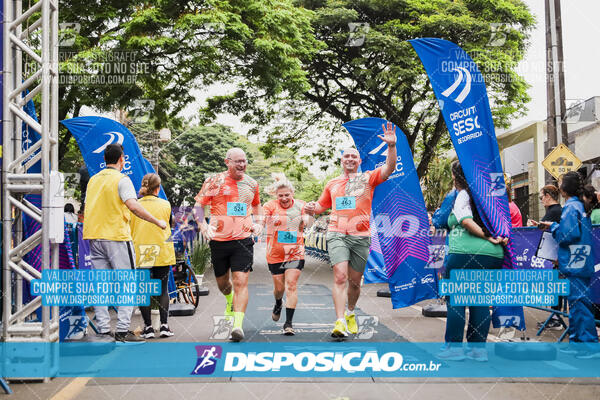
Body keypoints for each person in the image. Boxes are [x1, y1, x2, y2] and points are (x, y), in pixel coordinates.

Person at [305, 121, 397, 338]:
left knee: (355, 283)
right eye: (346, 156)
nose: (350, 159)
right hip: (336, 233)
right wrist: (311, 208)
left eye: (353, 156)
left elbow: (389, 168)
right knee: (339, 277)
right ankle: (338, 322)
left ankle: (350, 312)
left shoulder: (368, 178)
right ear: (341, 160)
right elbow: (320, 206)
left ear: (359, 161)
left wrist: (391, 147)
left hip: (360, 237)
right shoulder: (332, 183)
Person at [83, 144, 167, 343]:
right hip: (116, 237)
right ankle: (122, 330)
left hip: (94, 236)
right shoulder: (122, 179)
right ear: (122, 159)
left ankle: (104, 330)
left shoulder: (93, 180)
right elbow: (133, 206)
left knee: (100, 285)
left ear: (105, 159)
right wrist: (157, 221)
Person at [438, 161, 507, 361]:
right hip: (492, 255)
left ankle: (454, 348)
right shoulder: (490, 196)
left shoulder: (463, 195)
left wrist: (485, 235)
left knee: (457, 301)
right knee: (480, 301)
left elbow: (466, 221)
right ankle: (478, 350)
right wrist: (497, 237)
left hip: (465, 254)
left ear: (455, 177)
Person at [194, 148, 262, 342]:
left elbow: (257, 205)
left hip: (243, 240)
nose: (242, 165)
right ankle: (229, 301)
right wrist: (202, 224)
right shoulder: (214, 181)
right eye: (237, 161)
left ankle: (238, 325)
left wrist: (259, 223)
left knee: (241, 281)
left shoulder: (251, 183)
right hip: (219, 240)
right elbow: (199, 205)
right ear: (227, 162)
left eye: (244, 161)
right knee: (224, 284)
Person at [537, 171, 599, 358]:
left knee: (579, 304)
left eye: (561, 182)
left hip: (575, 262)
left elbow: (567, 236)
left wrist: (553, 227)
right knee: (577, 303)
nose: (559, 184)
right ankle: (577, 342)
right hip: (579, 260)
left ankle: (588, 345)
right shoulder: (578, 206)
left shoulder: (571, 207)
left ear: (566, 188)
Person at [263, 173, 312, 336]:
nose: (284, 198)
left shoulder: (301, 205)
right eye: (281, 195)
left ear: (292, 193)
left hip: (295, 252)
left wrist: (310, 215)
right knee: (279, 288)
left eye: (287, 195)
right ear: (276, 195)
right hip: (275, 253)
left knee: (291, 284)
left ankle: (288, 323)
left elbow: (308, 222)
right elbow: (261, 219)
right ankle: (278, 302)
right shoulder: (270, 206)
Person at [130, 173, 176, 339]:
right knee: (163, 289)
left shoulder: (134, 205)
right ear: (158, 187)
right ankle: (164, 326)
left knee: (143, 290)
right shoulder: (166, 204)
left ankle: (148, 328)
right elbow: (170, 223)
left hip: (142, 249)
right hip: (161, 249)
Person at [529, 185, 564, 330]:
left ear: (549, 196)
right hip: (556, 254)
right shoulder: (557, 210)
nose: (541, 200)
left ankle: (556, 318)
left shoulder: (554, 211)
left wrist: (534, 226)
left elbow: (547, 229)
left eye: (541, 197)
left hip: (555, 255)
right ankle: (556, 317)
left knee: (556, 285)